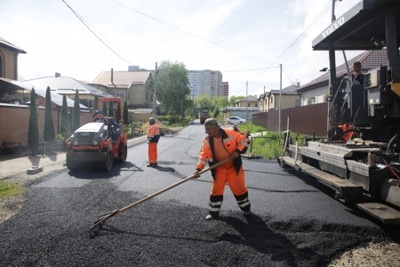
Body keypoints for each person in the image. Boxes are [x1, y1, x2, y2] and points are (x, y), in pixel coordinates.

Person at [193, 118, 251, 220]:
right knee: (216, 190)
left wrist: (238, 151)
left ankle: (246, 210)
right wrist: (198, 169)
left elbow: (245, 140)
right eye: (205, 129)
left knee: (240, 189)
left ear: (216, 128)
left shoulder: (231, 133)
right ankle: (213, 213)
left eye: (208, 129)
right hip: (219, 169)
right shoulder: (207, 141)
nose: (206, 132)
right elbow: (203, 156)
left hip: (234, 168)